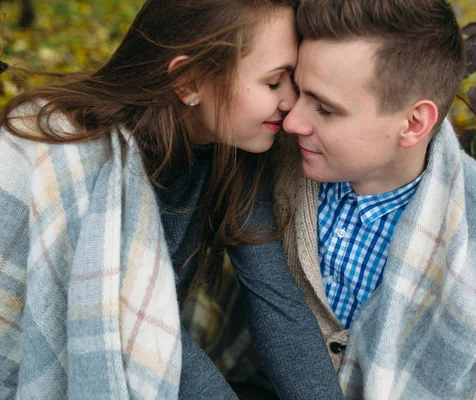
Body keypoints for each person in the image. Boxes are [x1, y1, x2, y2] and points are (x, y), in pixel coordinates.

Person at [0, 0, 345, 399]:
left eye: (295, 83)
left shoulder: (235, 151)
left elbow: (277, 302)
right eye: (273, 83)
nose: (291, 105)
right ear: (188, 81)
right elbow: (144, 332)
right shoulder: (78, 159)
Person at [273, 0, 476, 398]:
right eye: (298, 90)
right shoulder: (276, 163)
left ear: (413, 123)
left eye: (325, 108)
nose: (292, 121)